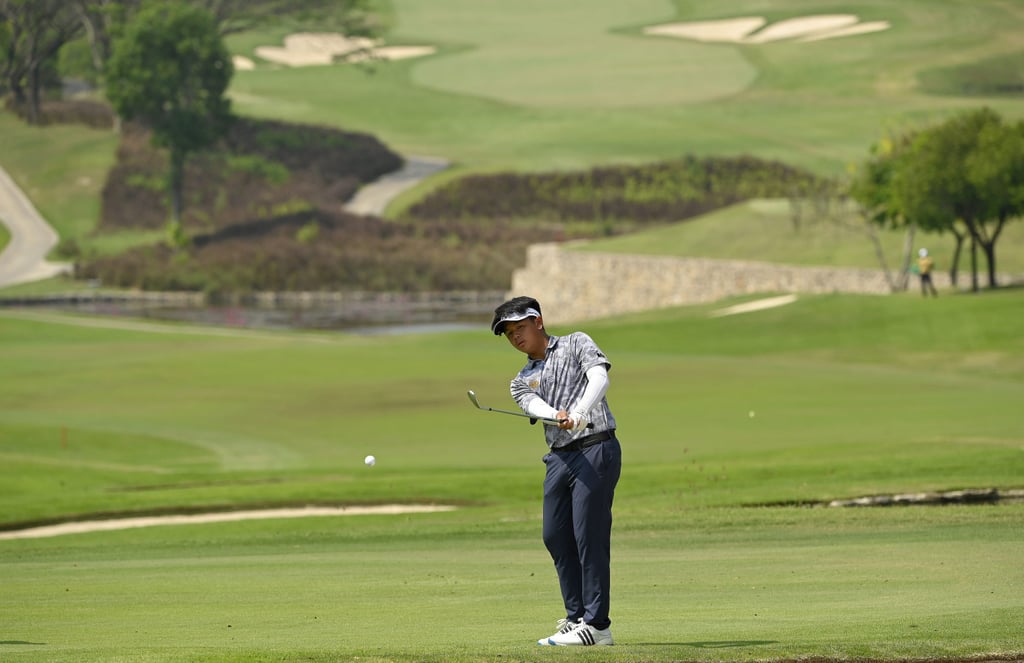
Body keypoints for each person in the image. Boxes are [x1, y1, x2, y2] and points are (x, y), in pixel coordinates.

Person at [490, 296, 621, 647]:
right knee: (555, 535)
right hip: (560, 458)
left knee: (588, 534)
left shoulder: (577, 342)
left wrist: (578, 412)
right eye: (509, 333)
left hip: (596, 446)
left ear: (538, 321)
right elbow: (535, 404)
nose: (516, 337)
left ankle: (597, 626)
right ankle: (576, 617)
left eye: (520, 328)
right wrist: (556, 414)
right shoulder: (520, 380)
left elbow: (599, 379)